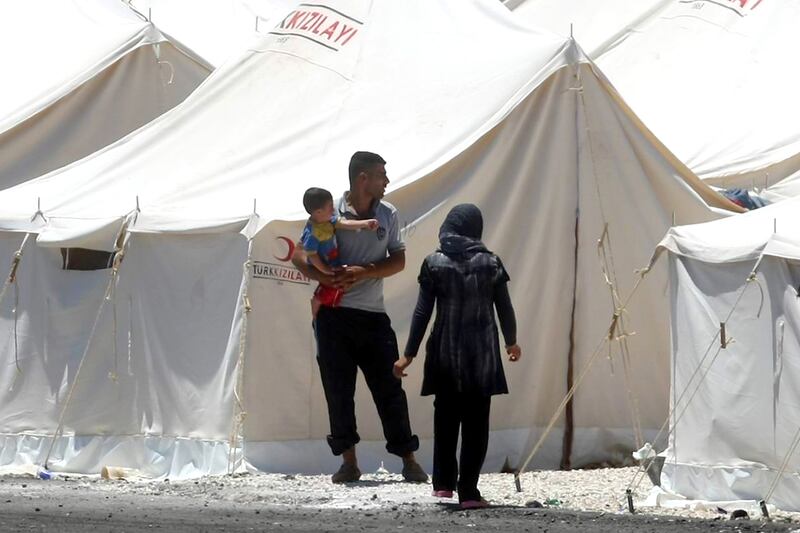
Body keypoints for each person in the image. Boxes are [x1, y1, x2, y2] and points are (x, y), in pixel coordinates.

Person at [291, 151, 428, 484]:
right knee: (337, 389)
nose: (387, 181)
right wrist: (324, 278)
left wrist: (363, 271)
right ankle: (349, 462)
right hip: (333, 316)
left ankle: (408, 459)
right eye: (382, 174)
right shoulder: (328, 211)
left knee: (389, 388)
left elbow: (399, 260)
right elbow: (298, 255)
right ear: (363, 178)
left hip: (372, 315)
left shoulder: (388, 213)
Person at [394, 203, 522, 509]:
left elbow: (423, 312)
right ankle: (469, 492)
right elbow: (504, 307)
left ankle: (443, 485)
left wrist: (408, 354)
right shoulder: (491, 263)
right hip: (481, 357)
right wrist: (511, 342)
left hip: (445, 355)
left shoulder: (434, 262)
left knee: (446, 420)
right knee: (476, 424)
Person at [300, 186, 378, 317]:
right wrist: (325, 270)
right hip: (325, 268)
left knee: (338, 289)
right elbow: (311, 255)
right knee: (328, 291)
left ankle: (328, 307)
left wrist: (365, 223)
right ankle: (316, 312)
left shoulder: (328, 220)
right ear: (318, 212)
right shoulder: (312, 232)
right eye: (330, 206)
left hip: (334, 263)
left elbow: (344, 224)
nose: (333, 209)